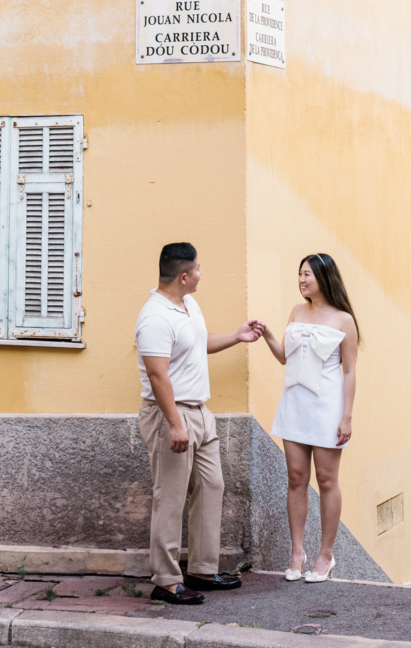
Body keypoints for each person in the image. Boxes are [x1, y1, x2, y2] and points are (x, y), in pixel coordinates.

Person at [135, 241, 262, 605]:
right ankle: (166, 581)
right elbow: (158, 376)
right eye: (199, 269)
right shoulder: (155, 317)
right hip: (172, 414)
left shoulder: (187, 305)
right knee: (170, 498)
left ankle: (202, 571)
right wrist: (175, 424)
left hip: (200, 413)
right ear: (184, 276)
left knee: (212, 486)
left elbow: (197, 343)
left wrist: (238, 337)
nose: (202, 274)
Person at [256, 253, 360, 584]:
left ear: (323, 278)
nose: (301, 280)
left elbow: (350, 371)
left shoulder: (344, 319)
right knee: (296, 477)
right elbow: (286, 357)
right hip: (295, 403)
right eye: (300, 274)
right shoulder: (297, 312)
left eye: (307, 275)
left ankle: (325, 555)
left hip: (327, 408)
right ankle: (297, 552)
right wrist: (270, 335)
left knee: (327, 480)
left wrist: (347, 417)